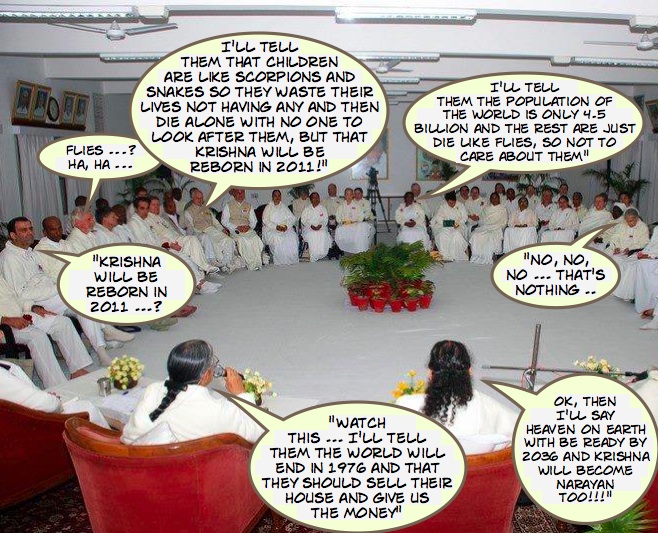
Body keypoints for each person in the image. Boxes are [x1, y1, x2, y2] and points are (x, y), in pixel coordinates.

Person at [0, 217, 130, 366]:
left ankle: (102, 350)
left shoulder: (29, 252)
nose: (29, 233)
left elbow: (45, 276)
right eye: (24, 230)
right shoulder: (9, 258)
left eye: (30, 229)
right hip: (35, 302)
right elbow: (21, 294)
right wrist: (56, 287)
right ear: (13, 235)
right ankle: (105, 333)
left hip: (49, 293)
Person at [121, 340, 264, 444]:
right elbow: (257, 433)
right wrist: (241, 394)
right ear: (205, 375)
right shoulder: (217, 410)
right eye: (212, 363)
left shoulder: (153, 390)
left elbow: (129, 436)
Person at [395, 340, 517, 454]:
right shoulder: (485, 406)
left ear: (430, 373)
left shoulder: (406, 405)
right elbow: (521, 430)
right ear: (469, 371)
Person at [0, 275, 93, 387]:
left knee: (62, 323)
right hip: (5, 326)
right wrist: (4, 319)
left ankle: (78, 370)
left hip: (21, 315)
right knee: (38, 337)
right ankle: (57, 386)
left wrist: (33, 307)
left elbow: (16, 297)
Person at [0, 361, 109, 427]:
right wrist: (52, 400)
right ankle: (111, 449)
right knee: (87, 407)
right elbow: (48, 404)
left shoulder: (5, 367)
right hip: (32, 423)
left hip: (25, 411)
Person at [147, 197, 220, 276]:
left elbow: (175, 231)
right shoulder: (148, 220)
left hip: (179, 238)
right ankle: (205, 267)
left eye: (158, 204)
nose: (156, 206)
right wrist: (170, 244)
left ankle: (205, 267)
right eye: (153, 204)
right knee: (193, 240)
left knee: (193, 239)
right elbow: (156, 236)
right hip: (170, 242)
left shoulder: (160, 218)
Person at [184, 189, 238, 271]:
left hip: (213, 230)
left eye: (201, 198)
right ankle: (221, 264)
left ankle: (227, 263)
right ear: (192, 198)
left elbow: (215, 222)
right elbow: (190, 228)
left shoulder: (206, 209)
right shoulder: (188, 212)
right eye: (198, 198)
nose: (200, 200)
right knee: (215, 243)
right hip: (202, 232)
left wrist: (222, 229)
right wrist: (199, 234)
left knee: (228, 240)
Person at [221, 188, 264, 271]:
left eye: (242, 192)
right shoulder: (228, 205)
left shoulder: (249, 205)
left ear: (244, 194)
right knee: (243, 240)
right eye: (238, 192)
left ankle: (257, 262)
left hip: (247, 229)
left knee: (256, 239)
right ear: (234, 194)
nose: (240, 194)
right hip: (235, 229)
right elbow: (224, 221)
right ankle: (250, 264)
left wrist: (249, 227)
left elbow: (254, 221)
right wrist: (236, 227)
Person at [262, 190, 299, 265]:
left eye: (279, 195)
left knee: (292, 236)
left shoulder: (284, 206)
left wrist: (286, 226)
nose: (277, 197)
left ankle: (291, 259)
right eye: (275, 196)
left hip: (284, 228)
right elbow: (265, 220)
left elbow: (292, 218)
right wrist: (276, 227)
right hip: (271, 228)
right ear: (272, 197)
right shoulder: (268, 207)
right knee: (278, 238)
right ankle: (280, 260)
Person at [469, 193, 508, 265]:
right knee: (475, 235)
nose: (494, 199)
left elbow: (504, 222)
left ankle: (489, 256)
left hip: (496, 228)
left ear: (498, 199)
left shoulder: (503, 209)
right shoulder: (486, 209)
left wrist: (496, 226)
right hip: (485, 227)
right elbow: (481, 220)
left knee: (490, 237)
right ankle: (477, 255)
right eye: (492, 198)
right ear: (490, 199)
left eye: (496, 197)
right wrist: (485, 224)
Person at [430, 192, 468, 261]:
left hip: (458, 225)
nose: (452, 205)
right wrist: (447, 223)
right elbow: (438, 217)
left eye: (453, 203)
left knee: (457, 234)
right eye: (449, 203)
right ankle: (445, 256)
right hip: (445, 226)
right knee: (442, 234)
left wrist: (458, 223)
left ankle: (456, 255)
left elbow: (465, 217)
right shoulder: (442, 206)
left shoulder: (461, 205)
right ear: (446, 201)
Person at [335, 188, 374, 254]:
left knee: (362, 227)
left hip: (355, 225)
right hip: (344, 225)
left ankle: (360, 250)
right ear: (345, 196)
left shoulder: (357, 205)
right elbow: (338, 217)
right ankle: (347, 248)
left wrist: (356, 222)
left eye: (350, 194)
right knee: (339, 230)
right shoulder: (341, 206)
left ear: (352, 195)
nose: (349, 196)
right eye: (347, 194)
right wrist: (342, 222)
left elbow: (361, 216)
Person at [301, 192, 332, 262]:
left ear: (319, 199)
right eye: (314, 197)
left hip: (321, 226)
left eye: (317, 197)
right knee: (312, 234)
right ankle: (314, 254)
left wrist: (320, 225)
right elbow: (303, 220)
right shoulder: (307, 209)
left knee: (322, 233)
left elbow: (325, 220)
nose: (316, 199)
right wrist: (310, 226)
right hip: (309, 227)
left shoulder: (323, 208)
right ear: (311, 199)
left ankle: (321, 253)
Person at [34, 216, 66, 281]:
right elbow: (47, 276)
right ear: (45, 232)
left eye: (59, 228)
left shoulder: (67, 244)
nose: (58, 232)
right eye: (53, 229)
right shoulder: (40, 250)